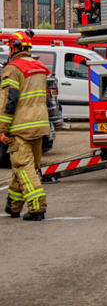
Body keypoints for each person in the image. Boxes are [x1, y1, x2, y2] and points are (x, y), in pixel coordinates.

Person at [0, 31, 50, 221]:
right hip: (40, 125)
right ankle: (13, 205)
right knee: (27, 167)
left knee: (23, 167)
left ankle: (37, 206)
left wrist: (2, 129)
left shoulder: (12, 69)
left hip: (20, 127)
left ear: (13, 47)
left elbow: (8, 101)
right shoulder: (39, 66)